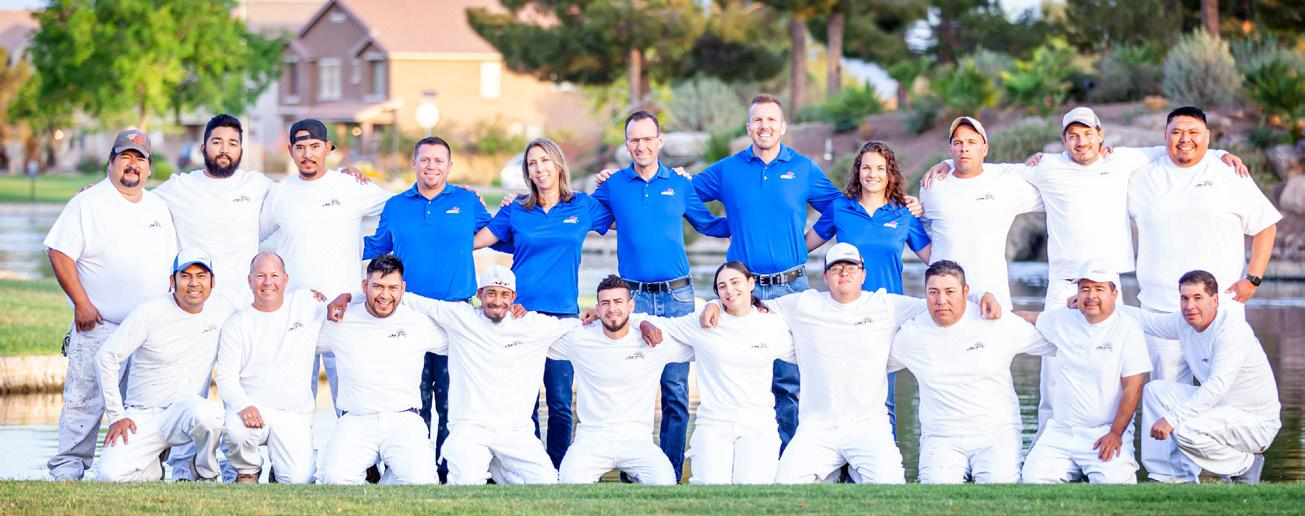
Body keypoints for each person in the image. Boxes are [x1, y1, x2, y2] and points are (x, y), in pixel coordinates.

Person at [699, 244, 1002, 484]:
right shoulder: (803, 303)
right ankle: (838, 470)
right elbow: (747, 305)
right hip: (816, 427)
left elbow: (941, 303)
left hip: (869, 427)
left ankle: (847, 470)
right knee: (785, 484)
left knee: (889, 487)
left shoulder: (885, 304)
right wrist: (714, 303)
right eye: (836, 268)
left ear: (863, 273)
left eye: (851, 267)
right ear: (825, 276)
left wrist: (980, 295)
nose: (843, 273)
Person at [690, 93, 843, 451]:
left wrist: (804, 244)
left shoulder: (802, 169)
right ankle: (747, 453)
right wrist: (719, 227)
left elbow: (839, 207)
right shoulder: (728, 170)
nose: (764, 126)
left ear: (782, 126)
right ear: (748, 127)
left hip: (791, 288)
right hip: (743, 293)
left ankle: (788, 459)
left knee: (789, 382)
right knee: (743, 377)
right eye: (758, 120)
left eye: (771, 120)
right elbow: (682, 195)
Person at [589, 110, 730, 482]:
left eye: (647, 139)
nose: (641, 146)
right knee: (629, 386)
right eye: (634, 140)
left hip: (676, 297)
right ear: (626, 144)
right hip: (631, 299)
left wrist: (751, 221)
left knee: (675, 391)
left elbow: (710, 224)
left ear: (659, 141)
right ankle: (632, 470)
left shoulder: (679, 184)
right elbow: (582, 217)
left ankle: (667, 473)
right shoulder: (614, 185)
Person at [362, 265, 586, 485]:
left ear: (513, 297)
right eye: (491, 293)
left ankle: (498, 467)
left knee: (545, 482)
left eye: (504, 294)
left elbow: (576, 325)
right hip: (470, 429)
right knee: (466, 482)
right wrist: (351, 298)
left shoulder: (533, 325)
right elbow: (408, 299)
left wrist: (593, 314)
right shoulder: (461, 316)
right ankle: (492, 466)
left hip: (516, 431)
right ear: (479, 294)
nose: (497, 301)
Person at [44, 129, 178, 481]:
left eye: (140, 159)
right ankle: (68, 470)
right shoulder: (88, 203)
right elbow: (59, 252)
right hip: (99, 325)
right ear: (111, 162)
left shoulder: (158, 207)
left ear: (149, 167)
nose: (132, 165)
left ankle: (140, 469)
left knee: (143, 404)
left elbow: (171, 266)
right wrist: (81, 303)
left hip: (146, 334)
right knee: (84, 403)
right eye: (125, 157)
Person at [473, 138, 614, 468]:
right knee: (524, 401)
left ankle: (559, 468)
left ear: (558, 165)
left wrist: (614, 181)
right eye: (532, 163)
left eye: (545, 160)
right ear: (527, 172)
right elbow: (477, 241)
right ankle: (530, 466)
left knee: (561, 401)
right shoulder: (516, 209)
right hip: (521, 315)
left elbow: (630, 217)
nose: (539, 168)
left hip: (563, 318)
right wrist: (470, 204)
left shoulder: (582, 206)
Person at [363, 135, 491, 481]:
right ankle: (413, 467)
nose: (431, 166)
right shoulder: (396, 205)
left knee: (451, 399)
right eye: (424, 159)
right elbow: (376, 248)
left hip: (455, 314)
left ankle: (448, 467)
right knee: (412, 399)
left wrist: (512, 206)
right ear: (414, 163)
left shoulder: (467, 201)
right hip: (409, 314)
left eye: (438, 160)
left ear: (449, 166)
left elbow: (501, 232)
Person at [1128, 106, 1281, 385]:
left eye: (1193, 132)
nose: (1185, 139)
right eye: (1176, 132)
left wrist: (1253, 280)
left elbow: (1265, 226)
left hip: (1221, 309)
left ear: (1208, 136)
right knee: (1165, 395)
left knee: (1226, 394)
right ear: (1165, 136)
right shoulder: (1141, 177)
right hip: (1160, 311)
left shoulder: (1229, 173)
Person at [260, 119, 392, 412]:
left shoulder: (349, 186)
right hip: (294, 313)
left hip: (344, 310)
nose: (307, 154)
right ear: (291, 151)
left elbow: (400, 207)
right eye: (300, 148)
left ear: (328, 148)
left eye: (315, 146)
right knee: (294, 406)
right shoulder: (280, 192)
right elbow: (255, 235)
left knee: (350, 405)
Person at [887, 260, 1055, 484]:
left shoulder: (996, 322)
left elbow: (1061, 344)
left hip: (996, 433)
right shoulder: (912, 334)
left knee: (999, 488)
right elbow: (870, 366)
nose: (941, 300)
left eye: (950, 292)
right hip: (941, 438)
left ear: (966, 292)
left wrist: (1074, 315)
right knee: (937, 491)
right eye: (933, 292)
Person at [804, 140, 930, 436]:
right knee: (839, 394)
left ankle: (887, 461)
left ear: (890, 173)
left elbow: (934, 258)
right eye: (867, 167)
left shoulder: (903, 213)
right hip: (844, 313)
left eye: (880, 168)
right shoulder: (841, 208)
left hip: (886, 317)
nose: (872, 174)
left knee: (883, 399)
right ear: (857, 171)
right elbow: (803, 247)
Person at [644, 262, 795, 484]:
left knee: (753, 486)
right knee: (711, 485)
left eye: (735, 282)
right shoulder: (702, 323)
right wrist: (643, 324)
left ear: (751, 283)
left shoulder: (772, 325)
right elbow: (660, 324)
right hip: (714, 423)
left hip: (757, 423)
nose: (729, 290)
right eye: (722, 286)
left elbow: (806, 350)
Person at [94, 249, 234, 482]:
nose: (194, 283)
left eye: (201, 276)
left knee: (211, 415)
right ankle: (153, 469)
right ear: (172, 281)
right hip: (144, 413)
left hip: (187, 411)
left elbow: (250, 334)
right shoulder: (149, 312)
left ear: (212, 281)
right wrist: (117, 415)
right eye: (185, 276)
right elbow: (106, 357)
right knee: (110, 476)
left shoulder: (223, 310)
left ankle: (203, 469)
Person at [1139, 270, 1281, 484]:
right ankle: (1168, 475)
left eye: (1198, 298)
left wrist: (1171, 419)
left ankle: (1245, 466)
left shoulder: (1231, 330)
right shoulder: (1184, 322)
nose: (1190, 306)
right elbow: (1147, 321)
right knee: (1155, 391)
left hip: (1255, 423)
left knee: (1183, 429)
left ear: (1214, 300)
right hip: (1221, 410)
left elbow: (1216, 386)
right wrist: (1102, 303)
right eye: (1184, 298)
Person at [1018, 262, 1151, 484]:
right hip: (1061, 432)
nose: (1091, 296)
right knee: (1033, 480)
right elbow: (1028, 317)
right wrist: (988, 312)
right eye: (1085, 289)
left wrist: (1115, 434)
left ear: (1114, 294)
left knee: (1115, 484)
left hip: (1105, 432)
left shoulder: (1128, 329)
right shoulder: (1061, 319)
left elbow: (1133, 387)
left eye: (1099, 289)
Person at [551, 276, 693, 485]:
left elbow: (700, 338)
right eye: (605, 303)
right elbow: (538, 335)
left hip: (638, 440)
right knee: (570, 482)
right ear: (597, 309)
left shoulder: (653, 341)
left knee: (665, 483)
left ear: (631, 306)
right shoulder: (580, 339)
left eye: (618, 302)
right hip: (591, 439)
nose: (612, 309)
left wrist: (716, 307)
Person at [315, 255, 443, 485]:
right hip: (356, 420)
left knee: (421, 482)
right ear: (364, 286)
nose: (385, 295)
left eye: (393, 287)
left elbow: (465, 340)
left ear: (403, 288)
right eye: (377, 286)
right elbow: (297, 340)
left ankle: (393, 474)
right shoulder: (340, 319)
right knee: (335, 480)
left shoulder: (418, 322)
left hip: (404, 420)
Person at [216, 252, 326, 484]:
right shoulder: (237, 324)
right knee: (236, 431)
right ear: (249, 280)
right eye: (260, 276)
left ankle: (280, 469)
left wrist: (345, 298)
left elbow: (340, 307)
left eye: (274, 275)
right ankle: (246, 470)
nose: (268, 282)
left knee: (299, 480)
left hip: (293, 414)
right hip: (252, 409)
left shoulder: (306, 303)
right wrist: (243, 405)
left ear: (286, 279)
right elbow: (226, 378)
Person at [917, 116, 1043, 310]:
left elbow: (1053, 194)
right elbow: (924, 230)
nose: (964, 148)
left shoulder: (1005, 183)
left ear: (985, 149)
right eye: (958, 143)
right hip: (944, 301)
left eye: (971, 142)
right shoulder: (932, 185)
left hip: (993, 297)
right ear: (950, 149)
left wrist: (1047, 161)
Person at [151, 115, 271, 304]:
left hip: (243, 304)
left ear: (241, 151)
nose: (224, 149)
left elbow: (297, 199)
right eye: (217, 142)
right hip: (195, 305)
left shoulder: (257, 185)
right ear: (203, 148)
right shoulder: (180, 186)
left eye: (232, 143)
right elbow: (135, 204)